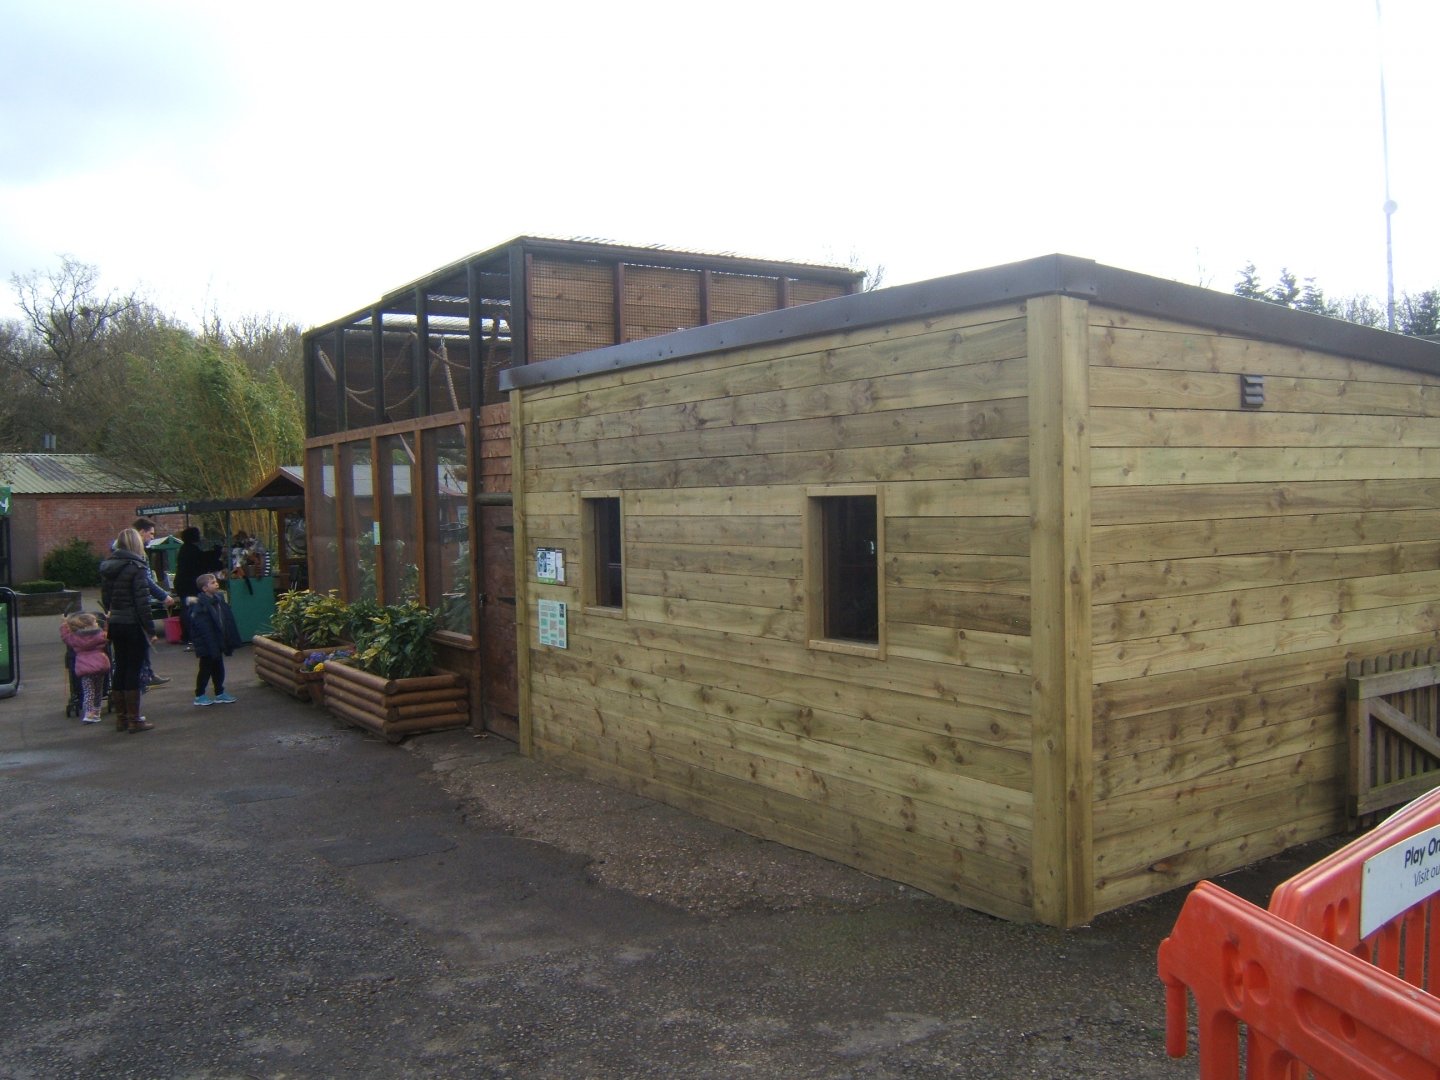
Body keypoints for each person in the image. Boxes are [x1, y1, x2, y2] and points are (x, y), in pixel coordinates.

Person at [99, 528, 162, 733]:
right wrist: (150, 629)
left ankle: (122, 718)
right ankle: (135, 719)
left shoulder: (108, 567)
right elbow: (142, 603)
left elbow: (106, 598)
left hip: (116, 622)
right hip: (133, 624)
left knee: (121, 668)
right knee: (133, 669)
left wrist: (111, 612)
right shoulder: (137, 567)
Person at [186, 573, 240, 706]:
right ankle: (199, 695)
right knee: (205, 669)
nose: (217, 584)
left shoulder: (219, 600)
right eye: (213, 582)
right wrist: (211, 644)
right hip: (206, 643)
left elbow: (227, 620)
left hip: (217, 641)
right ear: (204, 588)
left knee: (218, 668)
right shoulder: (199, 605)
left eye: (216, 581)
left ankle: (219, 692)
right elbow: (203, 627)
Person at [174, 526, 222, 646]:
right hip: (188, 584)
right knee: (190, 608)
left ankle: (187, 635)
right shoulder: (191, 550)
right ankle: (190, 635)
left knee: (186, 608)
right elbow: (203, 560)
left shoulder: (185, 549)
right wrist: (217, 553)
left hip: (182, 583)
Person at [60, 612, 110, 723]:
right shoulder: (100, 635)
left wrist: (64, 624)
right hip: (100, 666)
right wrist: (107, 621)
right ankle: (97, 711)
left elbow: (65, 637)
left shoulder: (75, 638)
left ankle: (89, 712)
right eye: (95, 622)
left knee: (88, 691)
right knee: (98, 690)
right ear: (89, 625)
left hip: (84, 668)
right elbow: (109, 634)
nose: (97, 623)